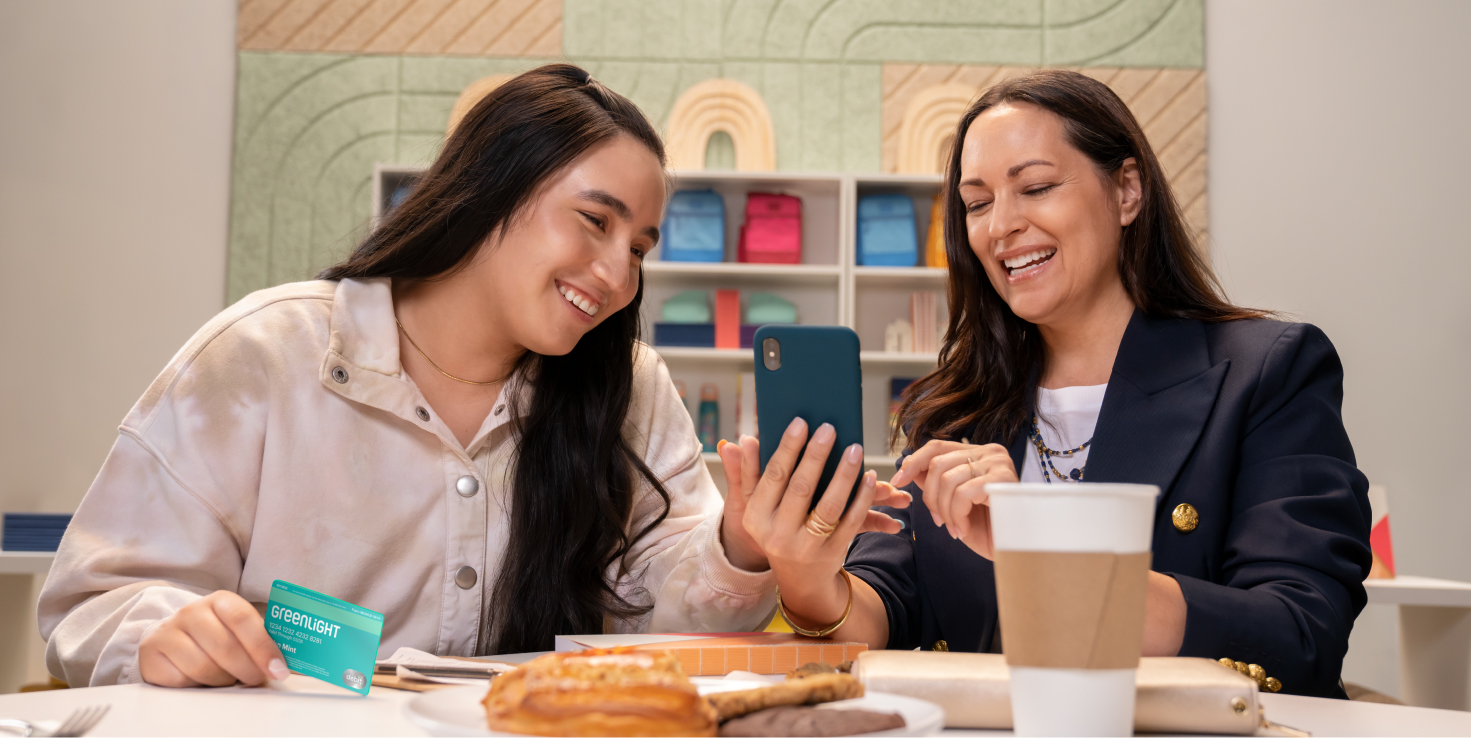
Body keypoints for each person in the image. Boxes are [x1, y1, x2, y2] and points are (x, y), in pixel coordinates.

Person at [39, 64, 775, 689]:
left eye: (640, 249)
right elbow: (89, 604)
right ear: (492, 189)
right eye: (593, 221)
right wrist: (164, 632)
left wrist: (740, 545)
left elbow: (669, 623)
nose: (618, 276)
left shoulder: (631, 389)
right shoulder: (262, 355)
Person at [722, 69, 1371, 698]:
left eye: (1033, 188)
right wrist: (804, 572)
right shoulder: (950, 409)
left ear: (1126, 191)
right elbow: (884, 610)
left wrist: (1037, 548)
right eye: (976, 203)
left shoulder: (1267, 370)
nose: (999, 225)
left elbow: (1300, 633)